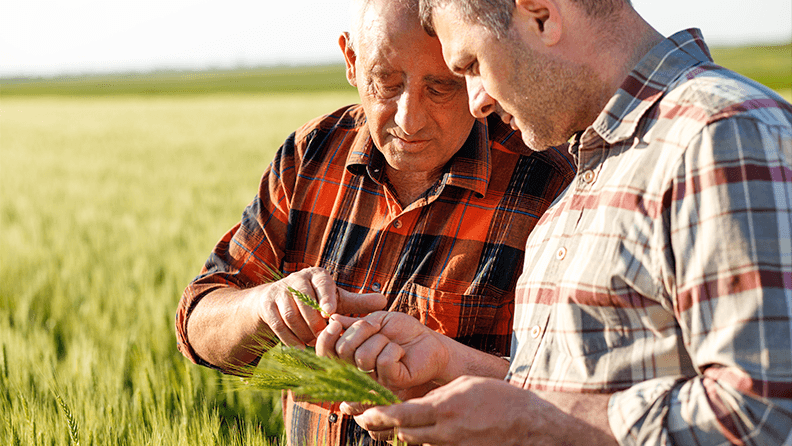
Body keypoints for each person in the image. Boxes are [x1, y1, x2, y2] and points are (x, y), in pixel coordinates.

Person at [333, 0, 792, 444]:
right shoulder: (583, 180)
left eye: (473, 64)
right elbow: (581, 398)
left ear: (540, 16)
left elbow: (765, 413)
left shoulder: (720, 136)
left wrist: (532, 423)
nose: (477, 103)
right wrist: (447, 367)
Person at [174, 0, 576, 444]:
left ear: (474, 70)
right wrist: (264, 307)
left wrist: (443, 363)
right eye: (385, 82)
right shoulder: (311, 155)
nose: (409, 118)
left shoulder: (550, 185)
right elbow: (197, 323)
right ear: (351, 61)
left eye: (441, 87)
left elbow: (578, 396)